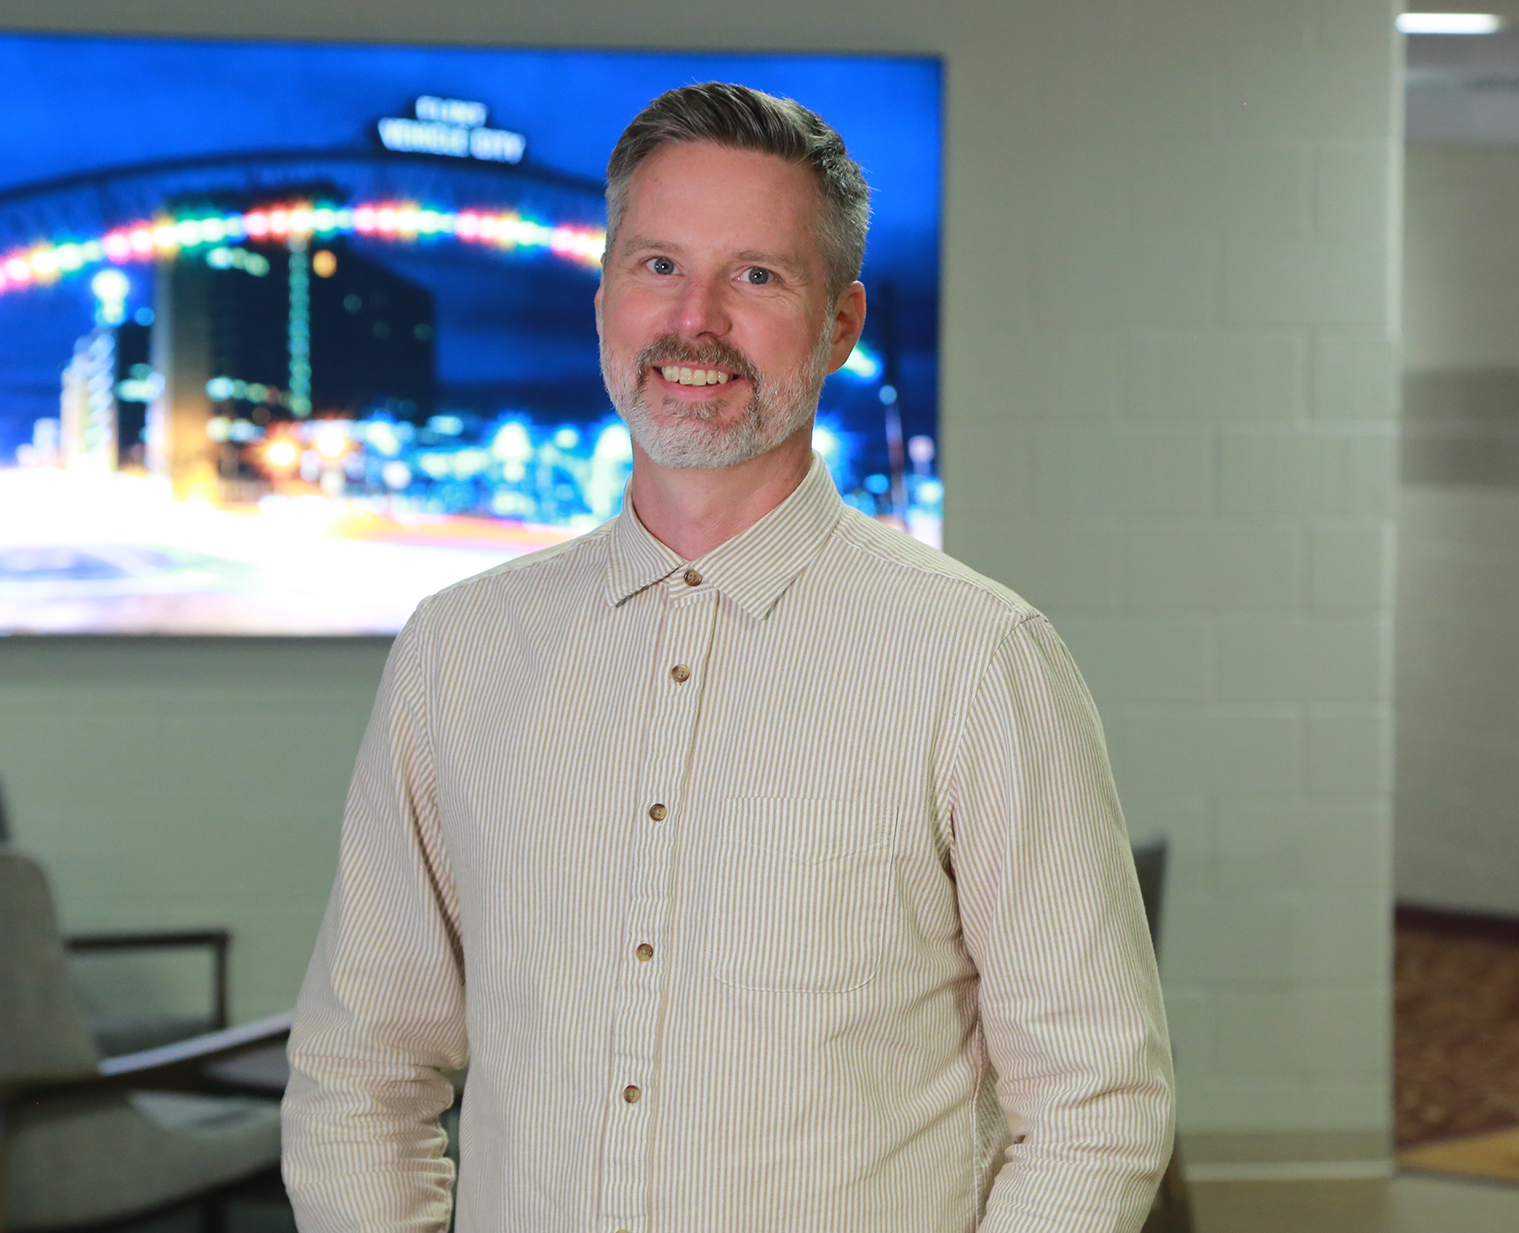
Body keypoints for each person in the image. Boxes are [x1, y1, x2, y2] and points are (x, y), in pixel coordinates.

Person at [282, 82, 1174, 1233]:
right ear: (604, 300)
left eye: (756, 276)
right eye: (658, 265)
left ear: (840, 324)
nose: (694, 320)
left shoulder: (977, 663)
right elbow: (363, 1068)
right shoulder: (458, 653)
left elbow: (1096, 1103)